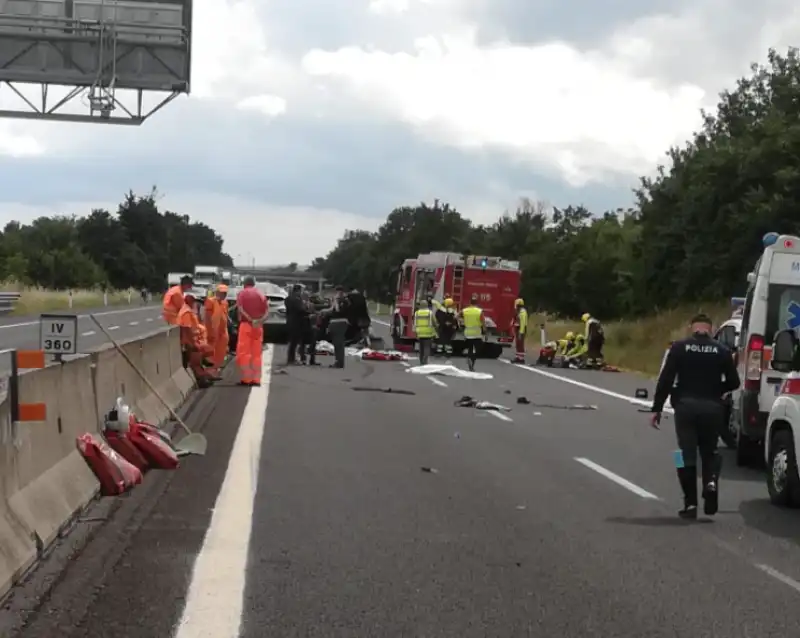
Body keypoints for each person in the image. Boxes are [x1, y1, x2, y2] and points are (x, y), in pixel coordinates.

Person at [650, 312, 741, 520]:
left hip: (685, 408)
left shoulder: (679, 348)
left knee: (682, 454)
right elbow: (734, 382)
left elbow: (665, 379)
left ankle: (689, 502)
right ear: (711, 328)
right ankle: (710, 482)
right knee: (710, 452)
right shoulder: (722, 350)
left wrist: (657, 408)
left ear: (692, 328)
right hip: (713, 409)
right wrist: (718, 389)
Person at [177, 290, 217, 388]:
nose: (195, 303)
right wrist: (193, 344)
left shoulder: (188, 311)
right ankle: (202, 380)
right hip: (190, 342)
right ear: (188, 300)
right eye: (193, 300)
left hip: (193, 341)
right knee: (195, 362)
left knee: (199, 359)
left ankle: (204, 376)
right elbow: (187, 330)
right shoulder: (186, 312)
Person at [236, 276, 268, 386]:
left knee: (244, 353)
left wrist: (251, 320)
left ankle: (247, 379)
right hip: (258, 327)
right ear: (254, 283)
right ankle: (256, 379)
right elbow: (267, 311)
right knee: (257, 353)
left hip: (246, 325)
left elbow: (240, 308)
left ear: (244, 283)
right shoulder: (261, 294)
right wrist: (259, 321)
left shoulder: (242, 293)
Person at [203, 284, 230, 373]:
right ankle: (210, 370)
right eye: (222, 292)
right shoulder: (210, 301)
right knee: (211, 351)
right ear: (217, 292)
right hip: (213, 330)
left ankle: (216, 369)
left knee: (221, 351)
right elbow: (207, 317)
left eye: (225, 292)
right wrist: (209, 331)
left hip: (222, 331)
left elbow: (225, 315)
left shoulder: (225, 302)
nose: (224, 294)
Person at [325, 286, 350, 368]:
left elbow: (338, 310)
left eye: (339, 292)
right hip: (336, 322)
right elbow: (332, 310)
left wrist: (335, 301)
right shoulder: (342, 300)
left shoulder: (343, 301)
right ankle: (338, 361)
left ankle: (339, 362)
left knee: (339, 343)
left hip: (339, 322)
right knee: (337, 343)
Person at [459, 294, 485, 372]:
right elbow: (483, 322)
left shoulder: (465, 310)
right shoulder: (479, 311)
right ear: (476, 303)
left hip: (467, 333)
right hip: (477, 333)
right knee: (478, 349)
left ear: (470, 302)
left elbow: (456, 316)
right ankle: (471, 360)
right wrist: (485, 332)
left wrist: (461, 322)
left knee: (470, 348)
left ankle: (470, 360)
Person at [285, 284, 306, 365]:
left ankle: (291, 358)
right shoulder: (297, 299)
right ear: (298, 291)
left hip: (290, 321)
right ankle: (291, 359)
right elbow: (301, 310)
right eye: (300, 291)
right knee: (295, 342)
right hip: (297, 322)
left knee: (292, 341)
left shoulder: (288, 299)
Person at [413, 299, 437, 365]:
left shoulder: (417, 313)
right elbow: (434, 322)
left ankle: (421, 362)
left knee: (421, 349)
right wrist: (436, 328)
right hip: (428, 333)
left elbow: (415, 323)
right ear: (427, 305)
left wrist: (415, 333)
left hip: (420, 333)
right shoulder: (430, 313)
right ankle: (425, 360)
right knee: (427, 348)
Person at [300, 291, 320, 366]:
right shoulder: (300, 304)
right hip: (303, 326)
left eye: (307, 296)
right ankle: (303, 359)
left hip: (312, 326)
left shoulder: (312, 305)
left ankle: (312, 360)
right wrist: (307, 317)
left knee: (313, 343)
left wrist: (315, 316)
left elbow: (315, 313)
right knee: (302, 343)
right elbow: (299, 315)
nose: (306, 297)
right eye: (305, 296)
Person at [511, 298, 528, 364]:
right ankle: (518, 357)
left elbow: (523, 323)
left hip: (521, 329)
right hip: (518, 328)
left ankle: (521, 358)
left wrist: (521, 332)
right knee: (518, 344)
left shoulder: (523, 313)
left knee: (520, 344)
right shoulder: (519, 312)